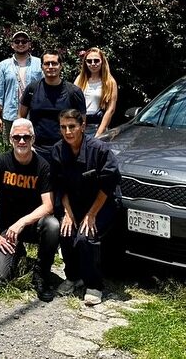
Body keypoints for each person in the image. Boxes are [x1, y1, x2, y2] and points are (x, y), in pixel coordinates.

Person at [0, 119, 59, 302]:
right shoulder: (1, 162)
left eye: (26, 137)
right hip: (6, 228)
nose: (21, 141)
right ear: (10, 139)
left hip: (31, 225)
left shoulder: (42, 166)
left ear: (33, 139)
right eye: (17, 137)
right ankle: (18, 252)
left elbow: (48, 206)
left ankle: (41, 273)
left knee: (53, 225)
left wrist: (22, 222)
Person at [51, 109, 121, 305]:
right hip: (74, 202)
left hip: (102, 204)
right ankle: (73, 277)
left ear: (82, 126)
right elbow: (60, 185)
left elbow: (108, 186)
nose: (68, 132)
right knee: (65, 232)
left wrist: (91, 214)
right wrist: (67, 213)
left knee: (85, 236)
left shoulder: (99, 150)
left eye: (72, 126)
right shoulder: (58, 150)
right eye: (63, 127)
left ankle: (94, 285)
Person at [19, 50, 87, 161]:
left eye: (54, 63)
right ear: (42, 66)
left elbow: (82, 123)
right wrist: (27, 144)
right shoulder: (32, 89)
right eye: (47, 63)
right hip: (36, 149)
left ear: (61, 66)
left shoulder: (74, 92)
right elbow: (21, 118)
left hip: (66, 149)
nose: (50, 67)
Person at [0, 31, 43, 143]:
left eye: (24, 41)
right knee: (12, 147)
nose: (20, 44)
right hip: (10, 115)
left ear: (29, 44)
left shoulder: (39, 63)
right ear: (12, 45)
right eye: (17, 41)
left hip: (34, 115)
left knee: (35, 145)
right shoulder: (4, 65)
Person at [74, 47, 118, 137]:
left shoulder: (109, 82)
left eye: (96, 60)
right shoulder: (80, 79)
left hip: (96, 126)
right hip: (79, 125)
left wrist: (99, 133)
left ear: (102, 61)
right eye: (89, 61)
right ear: (85, 63)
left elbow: (111, 109)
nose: (93, 64)